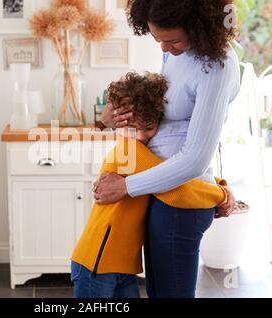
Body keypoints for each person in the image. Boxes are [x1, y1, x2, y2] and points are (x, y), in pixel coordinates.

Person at [94, 0, 241, 298]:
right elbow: (164, 120)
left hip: (179, 202)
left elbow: (195, 159)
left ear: (199, 26)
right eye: (157, 39)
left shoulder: (218, 64)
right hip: (157, 191)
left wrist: (125, 186)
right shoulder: (175, 55)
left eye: (171, 40)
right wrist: (109, 120)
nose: (163, 49)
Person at [71, 72, 233, 298]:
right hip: (97, 264)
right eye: (131, 128)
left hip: (122, 267)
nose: (140, 136)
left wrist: (218, 183)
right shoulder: (131, 153)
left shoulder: (142, 153)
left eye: (148, 127)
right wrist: (221, 194)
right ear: (120, 125)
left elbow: (173, 174)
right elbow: (178, 190)